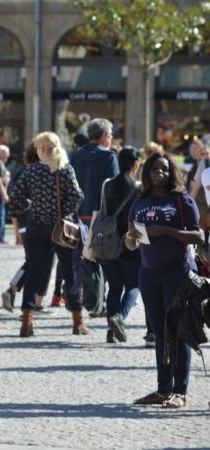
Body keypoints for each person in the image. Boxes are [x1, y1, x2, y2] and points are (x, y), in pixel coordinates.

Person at [126, 152, 203, 409]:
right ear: (146, 173)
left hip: (176, 273)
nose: (159, 174)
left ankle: (180, 392)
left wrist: (167, 231)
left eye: (165, 170)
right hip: (148, 273)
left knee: (178, 332)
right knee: (160, 333)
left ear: (172, 173)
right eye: (154, 170)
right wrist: (131, 237)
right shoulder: (140, 200)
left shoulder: (181, 200)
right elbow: (130, 239)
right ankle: (162, 389)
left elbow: (199, 236)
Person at [9, 132, 86, 337]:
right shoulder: (65, 169)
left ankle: (27, 322)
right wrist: (63, 213)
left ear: (42, 150)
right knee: (70, 272)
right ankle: (78, 322)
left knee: (35, 272)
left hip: (36, 227)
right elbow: (77, 196)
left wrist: (30, 208)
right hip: (60, 228)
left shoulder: (31, 171)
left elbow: (15, 199)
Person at [2, 141, 54, 313]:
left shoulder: (21, 173)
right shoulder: (41, 173)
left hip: (25, 224)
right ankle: (35, 301)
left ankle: (14, 289)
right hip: (38, 224)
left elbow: (13, 200)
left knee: (32, 261)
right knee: (43, 262)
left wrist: (17, 228)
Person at [99, 147, 142, 343]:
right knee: (134, 285)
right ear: (136, 164)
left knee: (114, 288)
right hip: (129, 242)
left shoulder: (107, 185)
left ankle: (111, 332)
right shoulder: (139, 188)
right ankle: (119, 317)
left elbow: (102, 211)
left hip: (108, 243)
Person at [70, 118, 119, 222]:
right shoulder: (109, 157)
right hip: (101, 216)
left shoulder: (76, 156)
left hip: (77, 215)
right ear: (104, 135)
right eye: (110, 135)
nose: (111, 138)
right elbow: (114, 188)